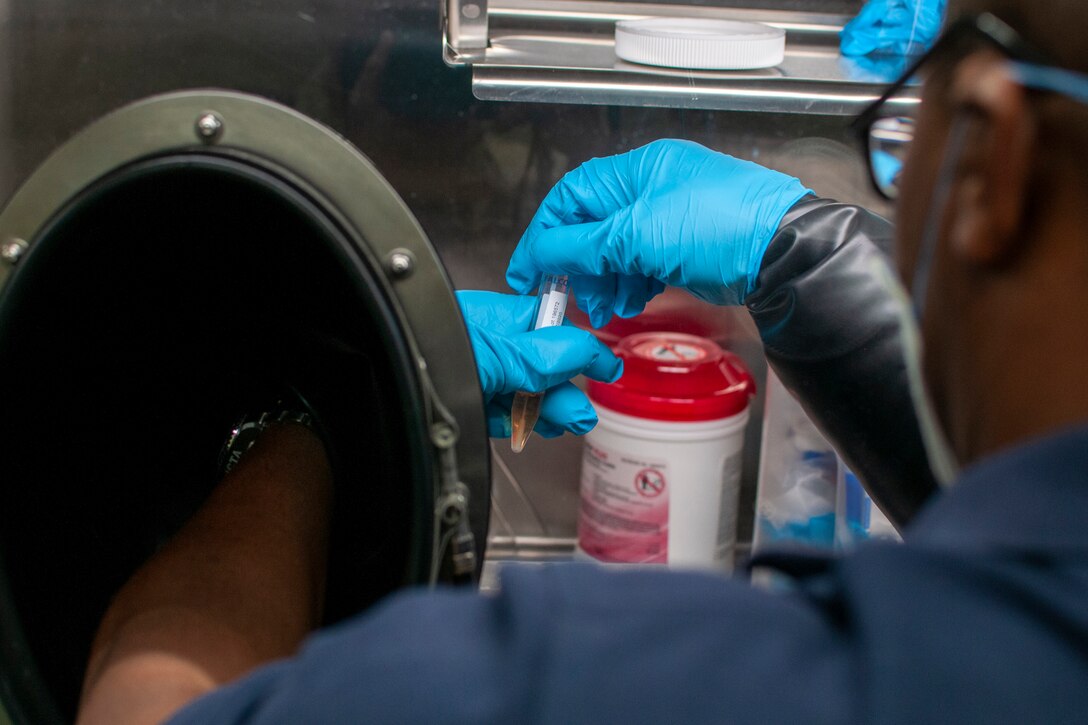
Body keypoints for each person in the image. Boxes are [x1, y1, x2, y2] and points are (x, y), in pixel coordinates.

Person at [76, 1, 1088, 722]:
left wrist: (324, 410)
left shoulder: (581, 684)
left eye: (908, 117)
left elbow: (147, 696)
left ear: (985, 165)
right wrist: (810, 257)